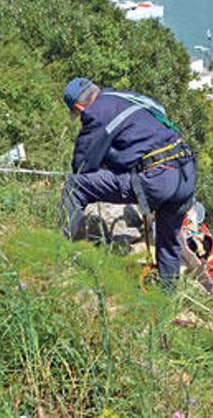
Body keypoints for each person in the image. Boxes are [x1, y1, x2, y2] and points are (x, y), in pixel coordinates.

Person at [61, 77, 195, 290]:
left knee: (75, 186)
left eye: (77, 114)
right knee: (168, 243)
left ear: (78, 107)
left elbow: (82, 165)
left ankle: (56, 250)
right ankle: (168, 301)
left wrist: (104, 162)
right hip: (185, 173)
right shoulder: (124, 98)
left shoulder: (95, 113)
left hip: (156, 178)